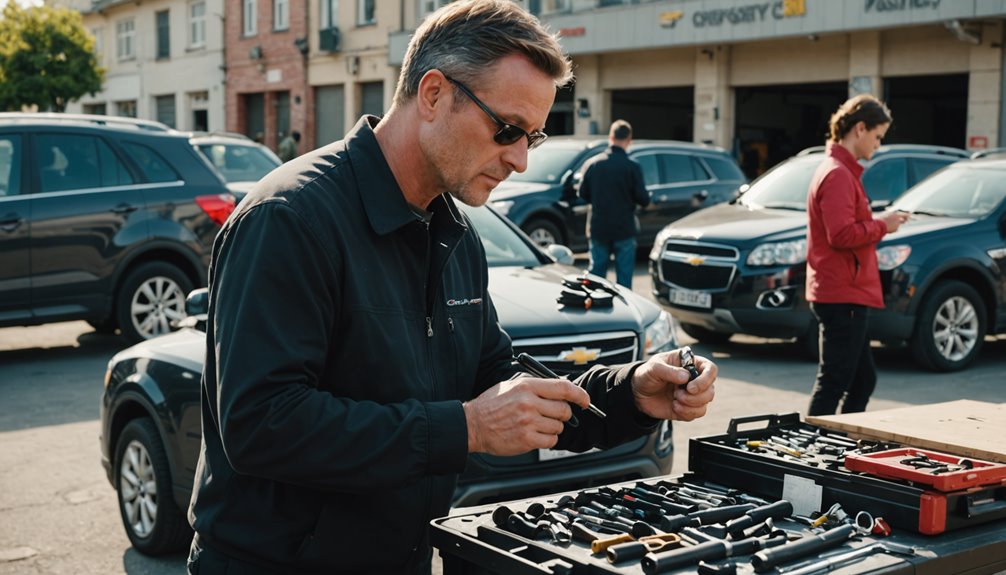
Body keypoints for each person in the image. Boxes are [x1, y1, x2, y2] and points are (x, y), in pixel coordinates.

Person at [185, 2, 717, 574]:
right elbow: (261, 424)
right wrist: (464, 428)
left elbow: (495, 378)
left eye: (532, 138)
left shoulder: (454, 231)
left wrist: (628, 393)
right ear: (433, 94)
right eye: (506, 129)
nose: (517, 159)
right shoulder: (290, 218)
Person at [805, 94, 908, 416]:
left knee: (862, 380)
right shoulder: (837, 173)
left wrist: (876, 220)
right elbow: (841, 234)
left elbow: (845, 225)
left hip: (845, 293)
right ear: (860, 129)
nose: (878, 144)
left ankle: (839, 443)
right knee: (835, 382)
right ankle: (814, 450)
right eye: (877, 136)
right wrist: (883, 225)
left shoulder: (840, 171)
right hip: (842, 295)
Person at [578, 119, 650, 288]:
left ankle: (593, 307)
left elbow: (582, 194)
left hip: (598, 226)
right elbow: (643, 199)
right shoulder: (632, 166)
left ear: (610, 137)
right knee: (624, 278)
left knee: (596, 274)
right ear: (629, 140)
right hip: (624, 227)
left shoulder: (592, 164)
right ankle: (624, 311)